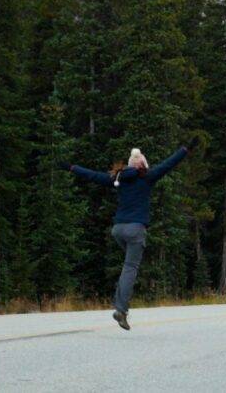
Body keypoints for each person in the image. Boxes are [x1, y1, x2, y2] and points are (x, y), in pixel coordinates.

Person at [61, 136, 200, 330]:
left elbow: (92, 175)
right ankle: (121, 309)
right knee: (130, 268)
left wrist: (71, 167)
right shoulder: (148, 177)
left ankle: (119, 301)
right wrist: (186, 148)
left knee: (128, 266)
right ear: (143, 164)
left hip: (118, 230)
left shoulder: (117, 178)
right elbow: (170, 163)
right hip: (135, 229)